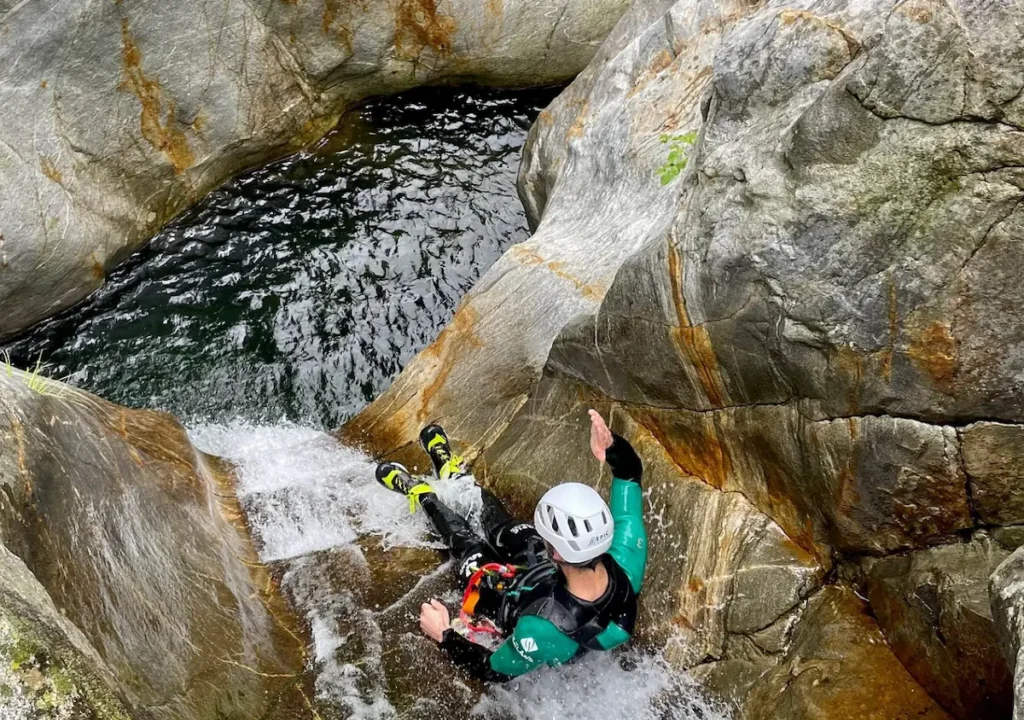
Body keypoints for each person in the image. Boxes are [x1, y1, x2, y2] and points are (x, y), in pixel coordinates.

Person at [374, 409, 647, 681]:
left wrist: (444, 636)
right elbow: (629, 474)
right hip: (546, 573)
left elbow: (492, 669)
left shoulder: (541, 629)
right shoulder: (627, 558)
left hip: (511, 602)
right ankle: (456, 476)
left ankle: (422, 495)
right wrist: (610, 446)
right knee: (507, 529)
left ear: (558, 551)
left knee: (471, 549)